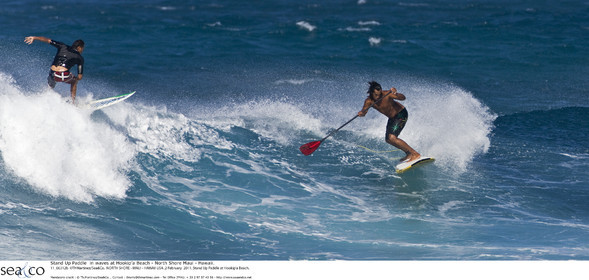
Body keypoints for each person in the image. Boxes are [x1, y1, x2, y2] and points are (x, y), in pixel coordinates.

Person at [358, 81, 421, 162]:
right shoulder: (368, 101)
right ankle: (408, 153)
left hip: (401, 114)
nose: (378, 97)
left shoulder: (387, 94)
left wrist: (396, 94)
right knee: (388, 139)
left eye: (379, 94)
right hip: (392, 118)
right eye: (376, 95)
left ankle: (415, 154)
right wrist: (361, 113)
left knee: (392, 137)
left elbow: (403, 98)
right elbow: (364, 113)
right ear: (371, 93)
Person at [24, 36, 84, 103]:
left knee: (50, 87)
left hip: (53, 73)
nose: (82, 51)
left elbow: (48, 40)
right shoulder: (79, 58)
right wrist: (76, 78)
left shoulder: (62, 46)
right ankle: (73, 103)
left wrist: (34, 38)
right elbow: (80, 76)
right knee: (74, 82)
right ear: (79, 47)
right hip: (63, 74)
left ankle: (44, 100)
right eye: (82, 49)